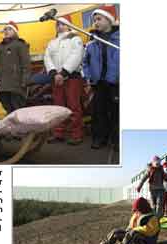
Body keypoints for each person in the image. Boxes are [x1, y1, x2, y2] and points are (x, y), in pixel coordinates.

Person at [44, 15, 84, 145]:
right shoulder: (52, 42)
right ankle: (58, 132)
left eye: (63, 24)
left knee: (73, 106)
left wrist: (64, 72)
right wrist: (54, 73)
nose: (60, 26)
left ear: (69, 25)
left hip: (72, 77)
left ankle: (76, 134)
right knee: (58, 106)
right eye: (58, 24)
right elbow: (47, 58)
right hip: (56, 79)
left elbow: (76, 56)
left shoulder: (76, 39)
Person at [83, 6, 119, 149]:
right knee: (98, 111)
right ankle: (99, 137)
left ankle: (116, 139)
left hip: (115, 82)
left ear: (109, 20)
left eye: (99, 19)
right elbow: (85, 62)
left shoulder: (119, 40)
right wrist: (88, 76)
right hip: (98, 82)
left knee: (116, 112)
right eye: (94, 20)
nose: (96, 22)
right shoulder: (92, 42)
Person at [86, 197, 160, 244]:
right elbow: (130, 227)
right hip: (136, 239)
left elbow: (150, 231)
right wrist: (125, 234)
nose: (135, 211)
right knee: (116, 232)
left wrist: (132, 231)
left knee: (133, 233)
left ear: (143, 208)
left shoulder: (152, 217)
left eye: (137, 209)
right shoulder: (137, 214)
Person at [0, 21, 30, 112]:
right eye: (5, 29)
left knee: (18, 110)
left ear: (15, 31)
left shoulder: (20, 44)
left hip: (16, 85)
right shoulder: (0, 46)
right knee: (6, 111)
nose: (7, 31)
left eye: (9, 29)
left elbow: (26, 64)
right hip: (2, 86)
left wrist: (25, 81)